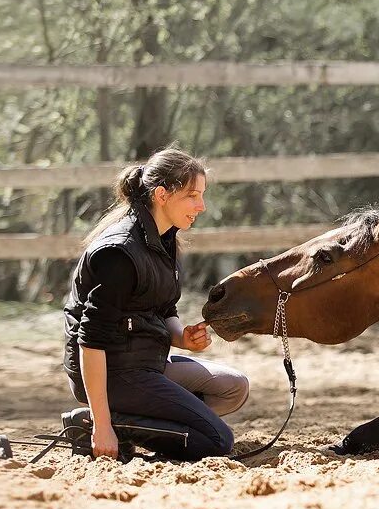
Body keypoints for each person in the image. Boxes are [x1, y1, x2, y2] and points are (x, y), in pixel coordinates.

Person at [62, 144, 249, 460]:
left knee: (233, 387)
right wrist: (102, 427)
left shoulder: (165, 241)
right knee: (217, 442)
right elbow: (90, 340)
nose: (201, 205)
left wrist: (181, 338)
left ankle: (150, 419)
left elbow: (165, 309)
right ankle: (96, 421)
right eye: (193, 195)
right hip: (114, 372)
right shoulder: (117, 253)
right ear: (162, 195)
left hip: (148, 362)